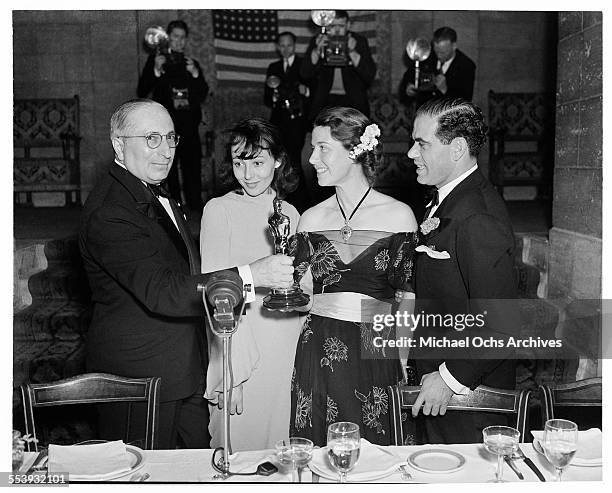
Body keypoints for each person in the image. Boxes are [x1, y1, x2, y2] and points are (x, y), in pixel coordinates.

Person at [79, 99, 295, 449]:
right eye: (151, 138)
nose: (165, 151)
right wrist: (251, 274)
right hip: (140, 377)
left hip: (183, 367)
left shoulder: (150, 192)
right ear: (119, 144)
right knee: (142, 476)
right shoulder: (110, 212)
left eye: (170, 138)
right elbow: (163, 290)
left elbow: (187, 273)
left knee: (199, 470)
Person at [288, 106, 418, 446]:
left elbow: (406, 297)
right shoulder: (310, 219)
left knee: (376, 446)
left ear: (354, 152)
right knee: (318, 449)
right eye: (312, 148)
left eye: (323, 148)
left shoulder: (398, 215)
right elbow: (302, 302)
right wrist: (289, 289)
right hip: (317, 345)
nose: (312, 158)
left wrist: (402, 359)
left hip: (375, 343)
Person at [406, 98, 519, 444]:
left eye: (421, 143)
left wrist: (448, 378)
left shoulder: (478, 216)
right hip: (438, 390)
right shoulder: (447, 197)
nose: (411, 153)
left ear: (456, 149)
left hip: (467, 402)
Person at [200, 118, 302, 451]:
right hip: (241, 345)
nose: (248, 173)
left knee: (279, 453)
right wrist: (232, 371)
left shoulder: (291, 213)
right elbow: (217, 294)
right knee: (238, 452)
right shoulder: (219, 210)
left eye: (258, 162)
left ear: (277, 160)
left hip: (284, 346)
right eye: (239, 162)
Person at [138, 20, 208, 212]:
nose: (179, 41)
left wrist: (195, 75)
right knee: (168, 166)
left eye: (182, 37)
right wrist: (156, 71)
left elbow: (202, 93)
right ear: (168, 38)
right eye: (175, 36)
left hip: (188, 124)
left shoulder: (191, 64)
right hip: (165, 125)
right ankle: (173, 207)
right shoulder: (157, 60)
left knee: (192, 165)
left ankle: (195, 208)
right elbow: (142, 90)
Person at [264, 31, 311, 212]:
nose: (285, 49)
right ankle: (281, 201)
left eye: (289, 45)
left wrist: (305, 91)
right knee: (279, 162)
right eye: (281, 45)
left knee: (295, 162)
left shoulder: (303, 66)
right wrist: (274, 95)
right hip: (278, 123)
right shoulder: (273, 67)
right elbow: (267, 99)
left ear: (295, 45)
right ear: (277, 47)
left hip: (297, 121)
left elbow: (312, 93)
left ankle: (302, 202)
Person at [301, 10, 376, 122]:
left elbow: (369, 75)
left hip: (352, 101)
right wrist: (317, 51)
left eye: (341, 26)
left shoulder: (359, 41)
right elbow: (304, 74)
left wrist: (352, 52)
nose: (336, 30)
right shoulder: (319, 40)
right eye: (332, 26)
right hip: (325, 101)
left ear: (348, 25)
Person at [399, 27, 476, 107]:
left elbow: (465, 102)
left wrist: (445, 90)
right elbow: (407, 79)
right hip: (424, 113)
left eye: (443, 52)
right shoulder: (426, 56)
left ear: (454, 46)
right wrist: (408, 89)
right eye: (437, 51)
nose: (439, 56)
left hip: (449, 116)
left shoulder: (467, 66)